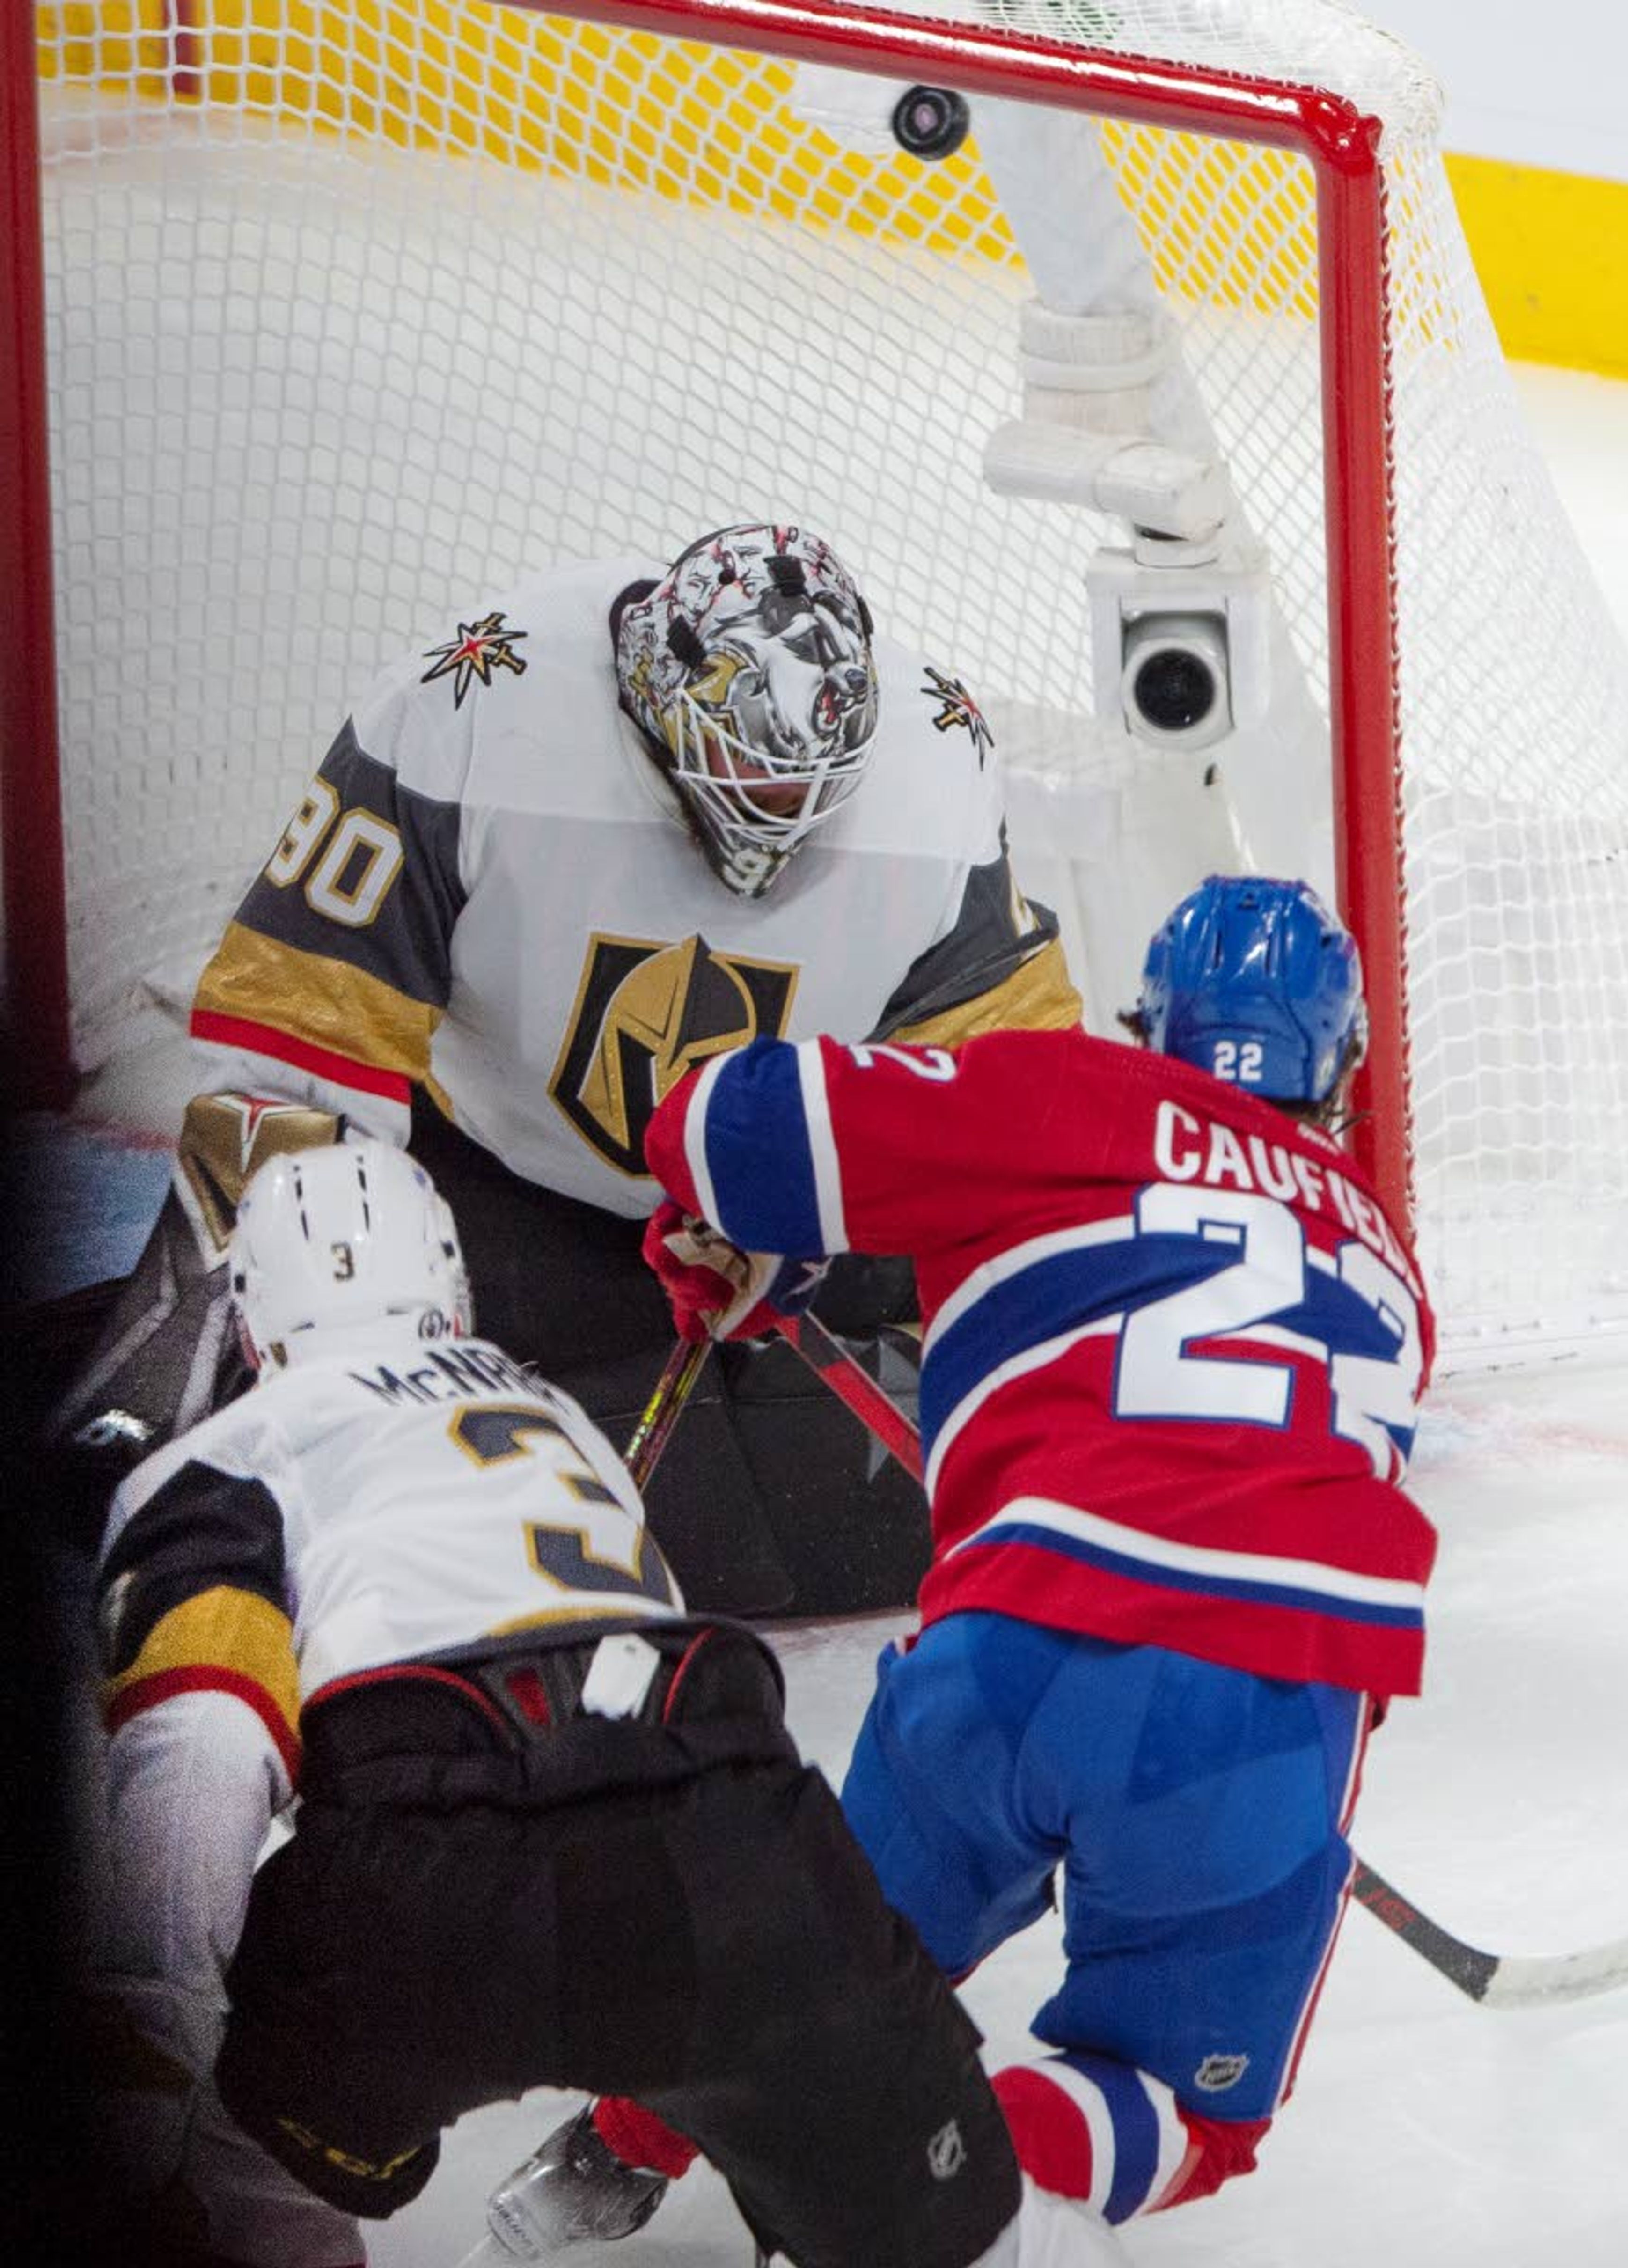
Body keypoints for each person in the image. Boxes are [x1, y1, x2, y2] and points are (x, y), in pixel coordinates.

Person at [524, 873, 1437, 2233]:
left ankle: (599, 2163)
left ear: (1154, 1022)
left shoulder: (1064, 1090)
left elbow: (725, 1123)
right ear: (1343, 1063)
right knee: (1188, 2111)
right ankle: (961, 2175)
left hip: (1007, 1644)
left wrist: (757, 1238)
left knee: (815, 1963)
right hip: (1262, 1690)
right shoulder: (1392, 1266)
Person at [85, 1137, 1127, 2268]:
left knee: (250, 2157)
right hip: (734, 1848)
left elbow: (206, 1740)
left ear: (248, 1318)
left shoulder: (222, 1455)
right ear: (451, 1279)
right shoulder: (560, 1421)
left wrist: (149, 2032)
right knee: (965, 2236)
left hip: (428, 1880)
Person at [52, 522, 1082, 1615]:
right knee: (285, 1236)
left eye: (810, 785)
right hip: (498, 1186)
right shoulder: (474, 706)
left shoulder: (938, 761)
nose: (782, 812)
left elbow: (1015, 1103)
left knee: (916, 1457)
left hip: (778, 1208)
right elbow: (293, 1043)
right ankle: (176, 1421)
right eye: (754, 771)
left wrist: (818, 1207)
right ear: (659, 687)